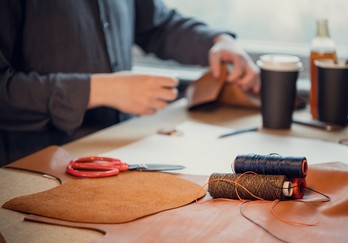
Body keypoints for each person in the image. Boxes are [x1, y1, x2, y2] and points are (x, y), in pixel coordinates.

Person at [0, 0, 260, 166]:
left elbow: (158, 26)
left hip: (119, 153)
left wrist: (217, 41)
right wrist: (97, 90)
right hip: (32, 169)